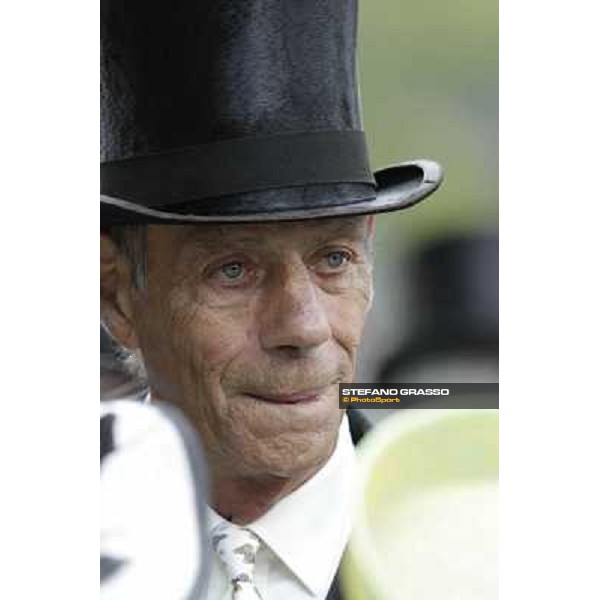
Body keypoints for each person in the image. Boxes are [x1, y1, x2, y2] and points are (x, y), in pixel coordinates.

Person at [100, 0, 442, 598]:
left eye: (333, 260)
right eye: (234, 271)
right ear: (117, 296)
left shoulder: (497, 551)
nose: (304, 327)